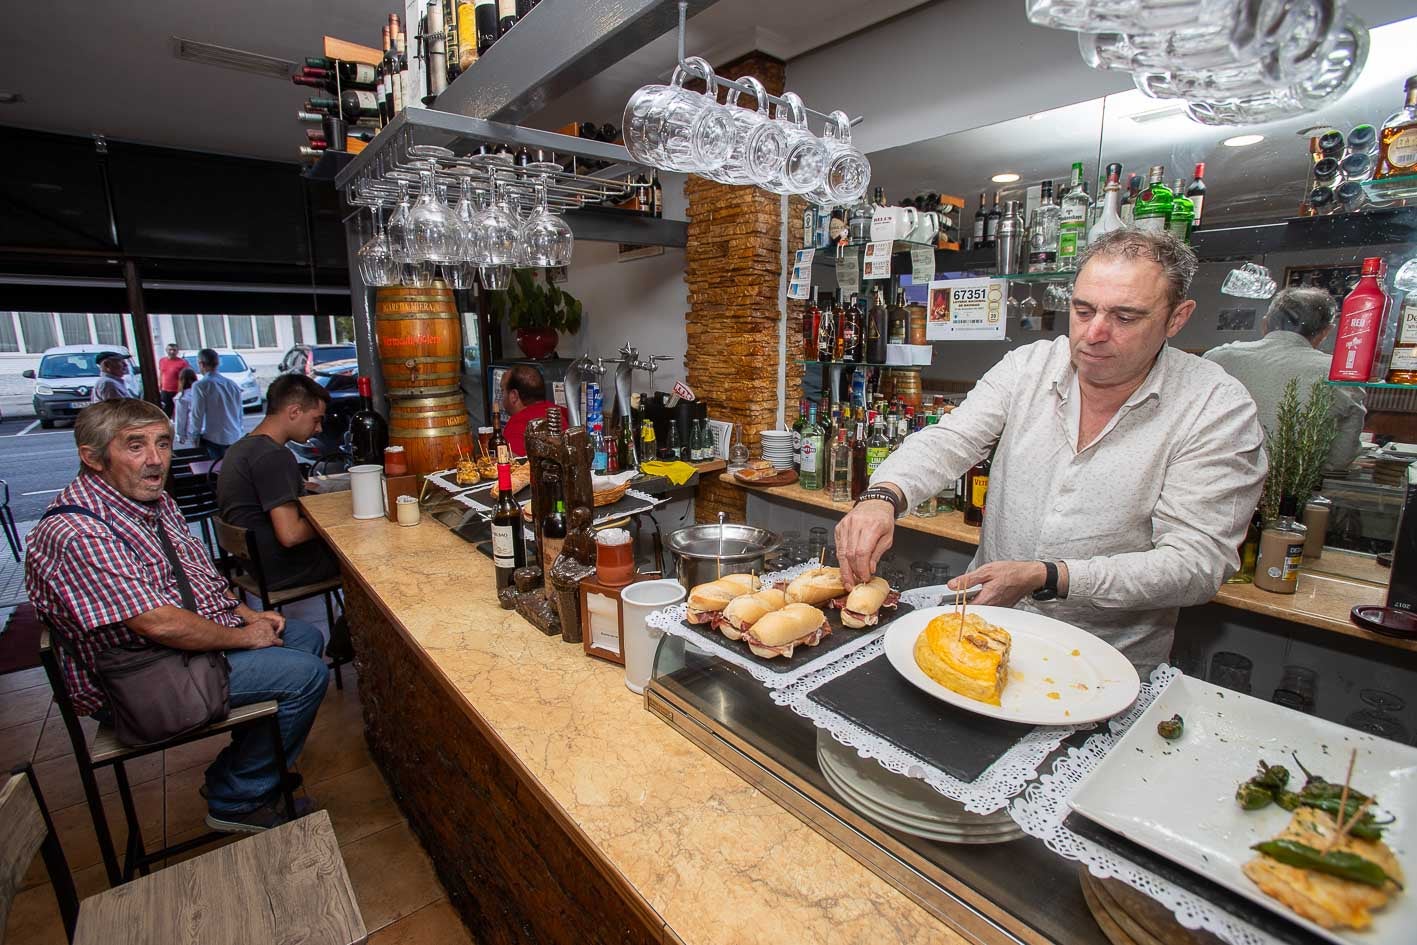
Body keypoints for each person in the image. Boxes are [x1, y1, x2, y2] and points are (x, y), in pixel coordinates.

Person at [835, 229, 1268, 672]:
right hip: (980, 633)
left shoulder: (1215, 406)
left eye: (1125, 317)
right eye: (1083, 310)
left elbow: (1197, 564)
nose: (1094, 333)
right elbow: (951, 439)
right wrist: (882, 495)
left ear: (1177, 318)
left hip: (1103, 663)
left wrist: (1050, 576)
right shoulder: (1030, 366)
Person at [24, 399, 328, 833]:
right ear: (92, 457)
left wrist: (244, 614)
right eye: (135, 446)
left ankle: (239, 772)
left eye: (163, 444)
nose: (155, 461)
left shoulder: (152, 502)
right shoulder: (77, 532)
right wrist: (246, 638)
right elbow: (157, 622)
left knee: (303, 639)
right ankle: (238, 798)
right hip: (139, 682)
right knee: (305, 676)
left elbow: (197, 571)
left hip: (175, 653)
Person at [1204, 287, 1365, 474]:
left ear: (1265, 324)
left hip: (1212, 478)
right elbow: (1339, 459)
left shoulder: (1217, 358)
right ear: (1326, 332)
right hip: (1294, 489)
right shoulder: (1340, 372)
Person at [217, 374, 341, 591]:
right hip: (283, 569)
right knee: (366, 552)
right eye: (316, 419)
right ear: (294, 412)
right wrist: (340, 520)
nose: (319, 428)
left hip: (255, 565)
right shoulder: (273, 456)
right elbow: (290, 534)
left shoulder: (240, 448)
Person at [190, 347, 244, 459]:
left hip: (213, 439)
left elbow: (197, 414)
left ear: (201, 363)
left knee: (215, 472)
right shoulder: (232, 384)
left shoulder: (201, 386)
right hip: (234, 436)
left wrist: (195, 436)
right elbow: (239, 413)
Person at [501, 365, 555, 456]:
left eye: (502, 390)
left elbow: (517, 467)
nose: (501, 397)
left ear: (513, 396)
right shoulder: (559, 412)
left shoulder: (517, 425)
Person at [158, 342, 188, 417]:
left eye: (174, 350)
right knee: (165, 412)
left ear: (177, 351)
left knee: (178, 412)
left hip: (177, 391)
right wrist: (159, 386)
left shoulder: (182, 362)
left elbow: (185, 377)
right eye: (170, 350)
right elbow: (161, 374)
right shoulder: (162, 361)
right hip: (165, 391)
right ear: (166, 350)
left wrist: (181, 391)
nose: (172, 352)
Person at [173, 367, 199, 448]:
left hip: (192, 429)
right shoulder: (200, 392)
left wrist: (180, 435)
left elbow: (180, 418)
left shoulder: (182, 397)